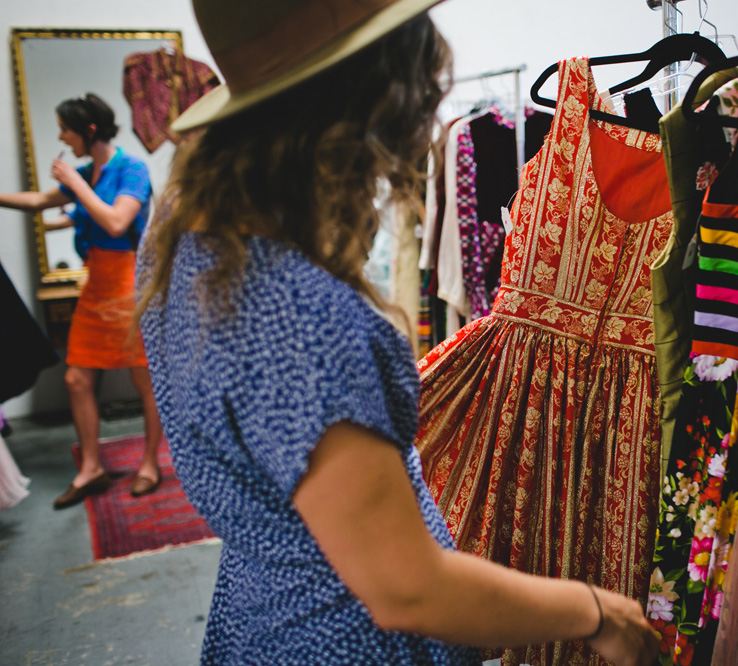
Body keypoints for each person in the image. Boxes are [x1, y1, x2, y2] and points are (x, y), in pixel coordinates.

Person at [135, 0, 660, 664]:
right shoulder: (305, 318)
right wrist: (595, 612)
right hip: (346, 643)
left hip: (257, 615)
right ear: (374, 106)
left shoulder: (179, 242)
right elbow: (406, 588)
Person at [0, 92, 164, 507]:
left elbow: (116, 221)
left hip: (131, 284)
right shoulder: (87, 171)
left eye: (65, 129)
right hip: (96, 286)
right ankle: (91, 469)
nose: (61, 136)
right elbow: (40, 202)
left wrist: (74, 185)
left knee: (145, 380)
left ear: (89, 130)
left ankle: (149, 463)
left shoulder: (132, 169)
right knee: (76, 379)